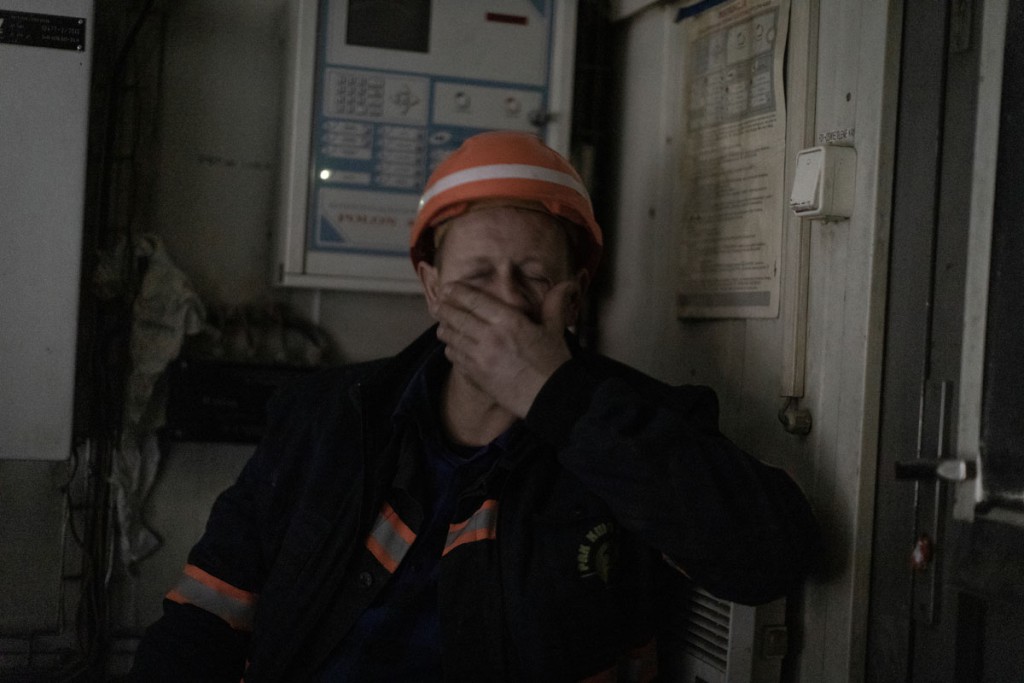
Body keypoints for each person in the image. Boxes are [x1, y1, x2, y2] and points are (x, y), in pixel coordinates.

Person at [129, 131, 820, 681]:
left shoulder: (636, 424)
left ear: (575, 297)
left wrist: (550, 393)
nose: (506, 303)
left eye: (534, 277)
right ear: (432, 288)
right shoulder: (325, 418)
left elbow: (771, 555)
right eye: (478, 277)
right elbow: (203, 620)